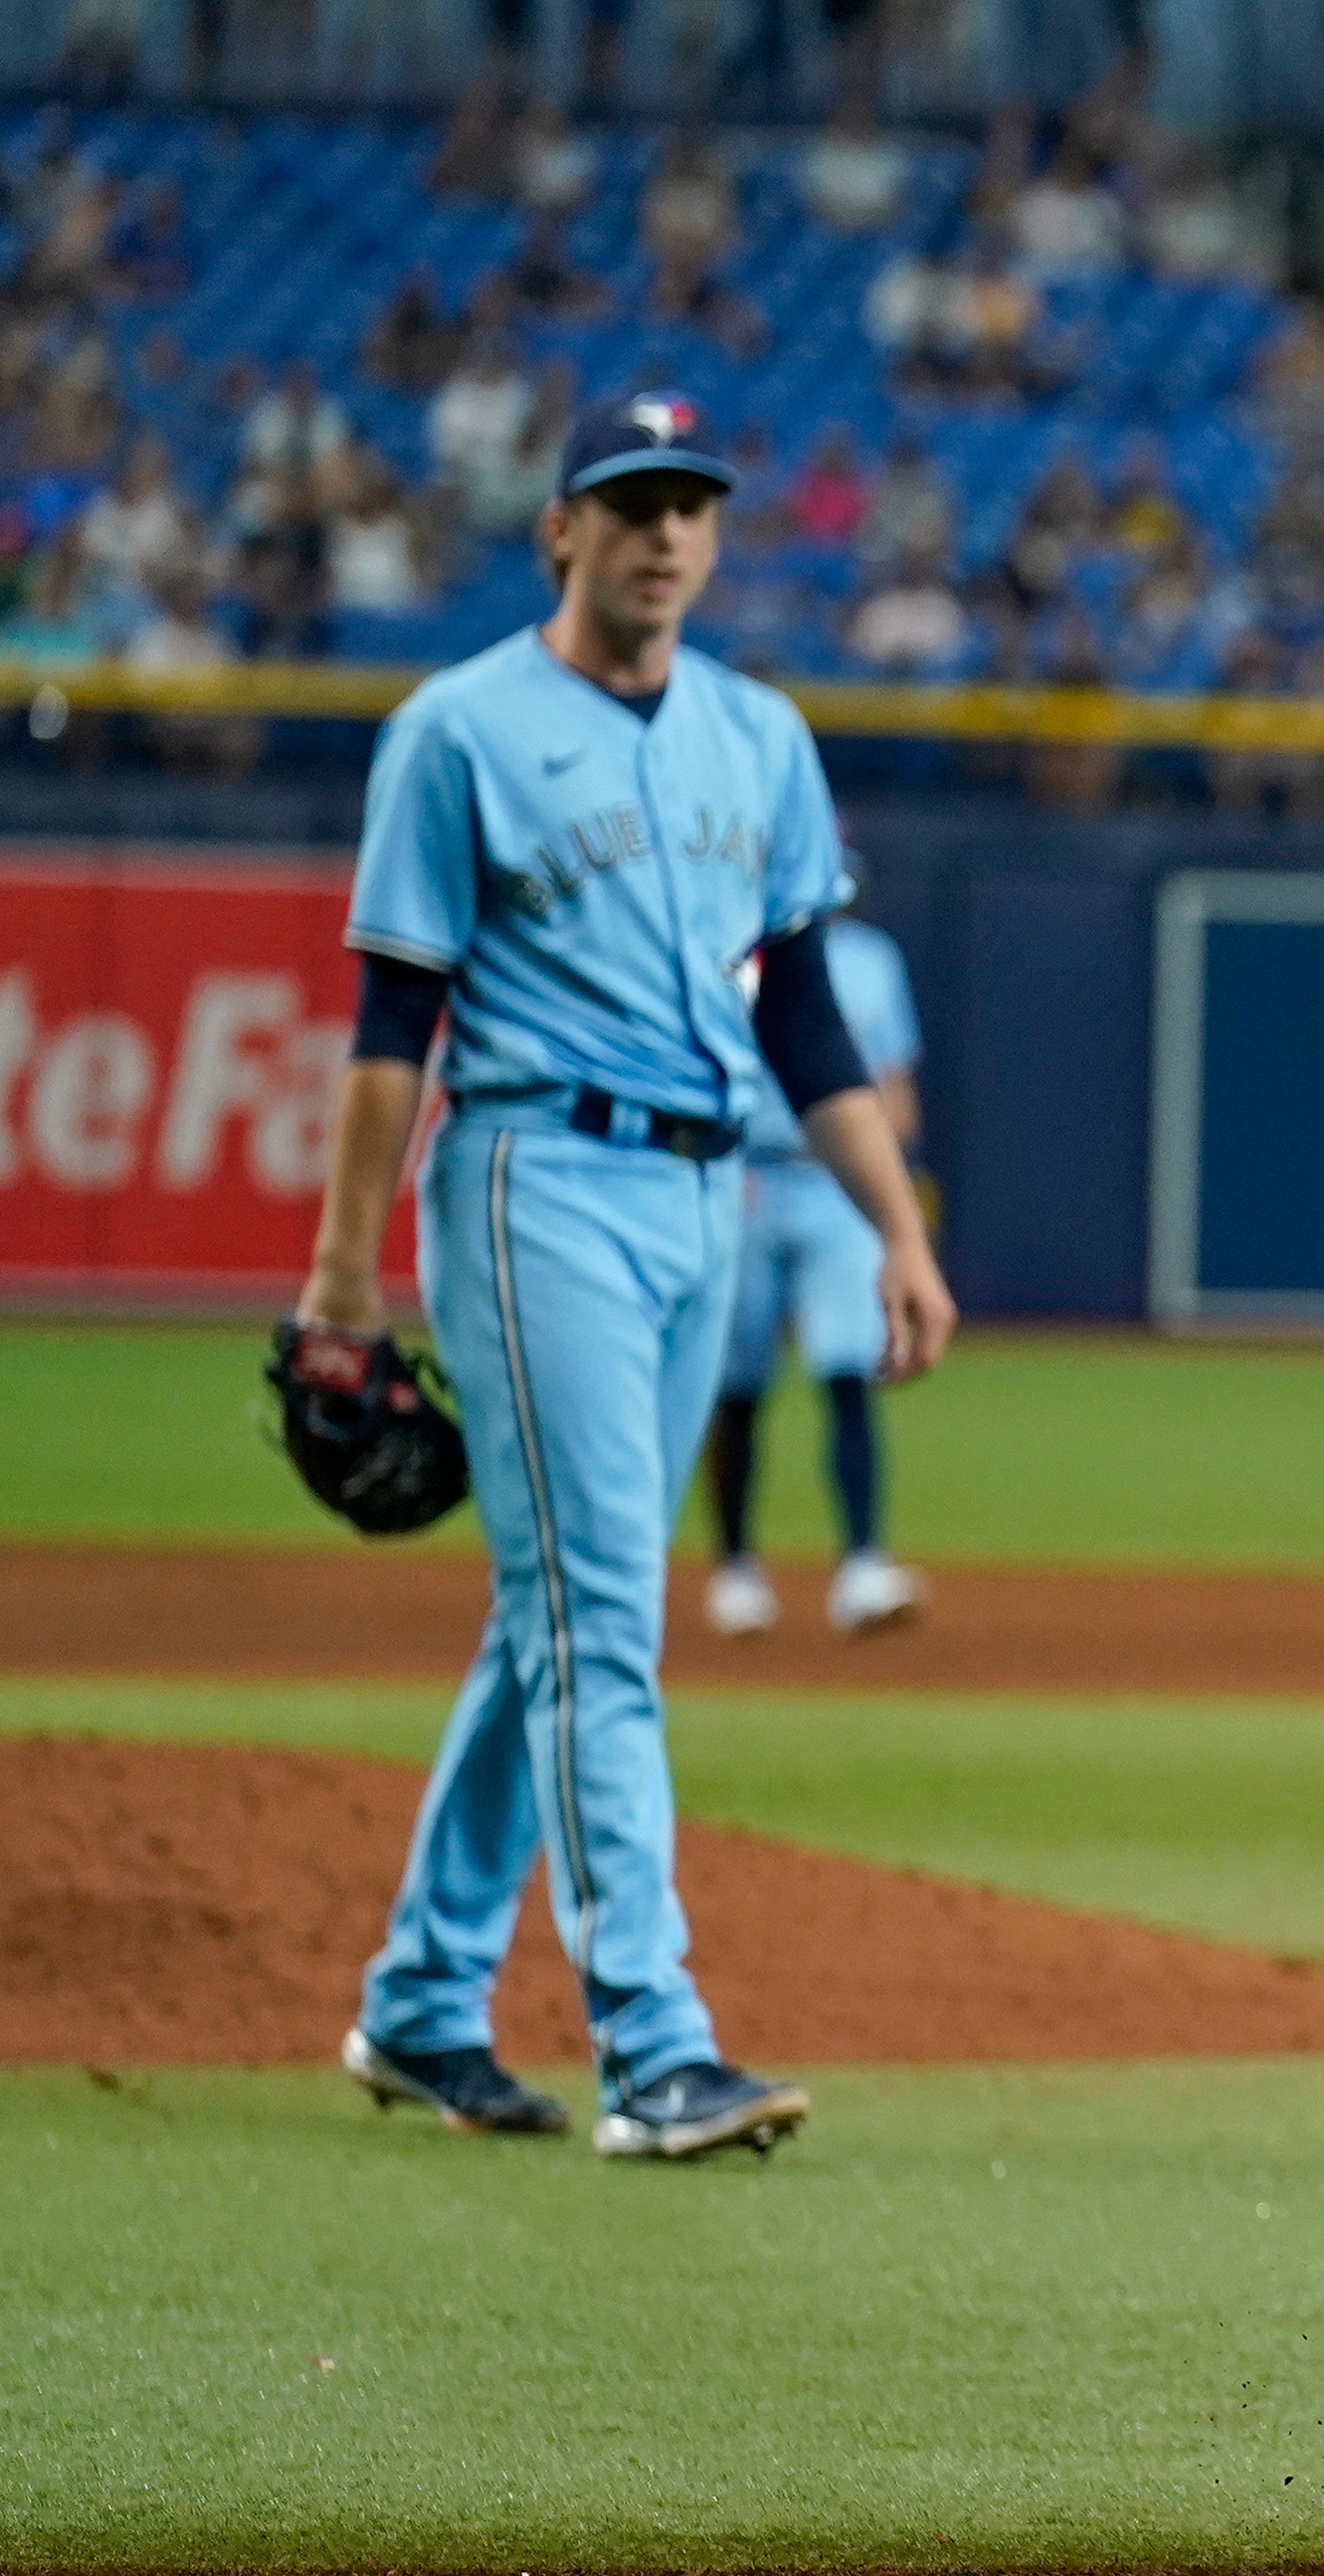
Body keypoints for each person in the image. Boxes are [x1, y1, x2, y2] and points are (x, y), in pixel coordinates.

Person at [301, 391, 955, 2159]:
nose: (666, 532)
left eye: (691, 504)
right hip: (534, 1177)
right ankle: (654, 2043)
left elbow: (804, 1009)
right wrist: (342, 1278)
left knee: (562, 1621)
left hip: (702, 1195)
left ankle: (427, 2000)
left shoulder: (759, 734)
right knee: (602, 1620)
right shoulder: (458, 732)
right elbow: (390, 1022)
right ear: (560, 533)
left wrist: (894, 1229)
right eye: (631, 500)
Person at [704, 908, 929, 1636]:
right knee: (737, 1387)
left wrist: (880, 1176)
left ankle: (863, 1566)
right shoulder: (724, 944)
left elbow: (896, 1092)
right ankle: (735, 1569)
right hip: (746, 1177)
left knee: (849, 1372)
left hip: (836, 1188)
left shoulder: (870, 958)